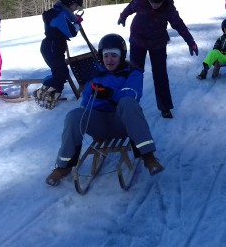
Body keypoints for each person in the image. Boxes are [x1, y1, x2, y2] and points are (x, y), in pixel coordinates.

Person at [45, 34, 164, 186]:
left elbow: (132, 95)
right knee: (74, 115)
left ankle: (148, 157)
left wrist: (109, 93)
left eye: (114, 55)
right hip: (100, 124)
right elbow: (86, 103)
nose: (109, 60)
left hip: (122, 123)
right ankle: (63, 166)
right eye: (106, 55)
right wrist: (97, 96)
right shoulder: (95, 75)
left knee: (128, 103)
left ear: (121, 56)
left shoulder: (132, 72)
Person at [117, 0, 198, 119]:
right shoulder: (141, 0)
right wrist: (123, 16)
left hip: (158, 43)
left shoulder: (168, 8)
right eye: (152, 2)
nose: (155, 5)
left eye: (158, 2)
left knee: (160, 74)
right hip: (138, 41)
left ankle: (165, 107)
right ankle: (132, 105)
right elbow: (130, 8)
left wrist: (190, 42)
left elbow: (178, 24)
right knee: (135, 74)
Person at [33, 0, 84, 109]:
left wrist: (75, 21)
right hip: (52, 47)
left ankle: (52, 92)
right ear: (70, 3)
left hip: (53, 47)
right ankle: (42, 92)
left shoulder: (59, 12)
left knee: (61, 72)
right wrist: (77, 24)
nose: (76, 9)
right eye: (75, 6)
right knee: (61, 73)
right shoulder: (61, 14)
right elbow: (71, 32)